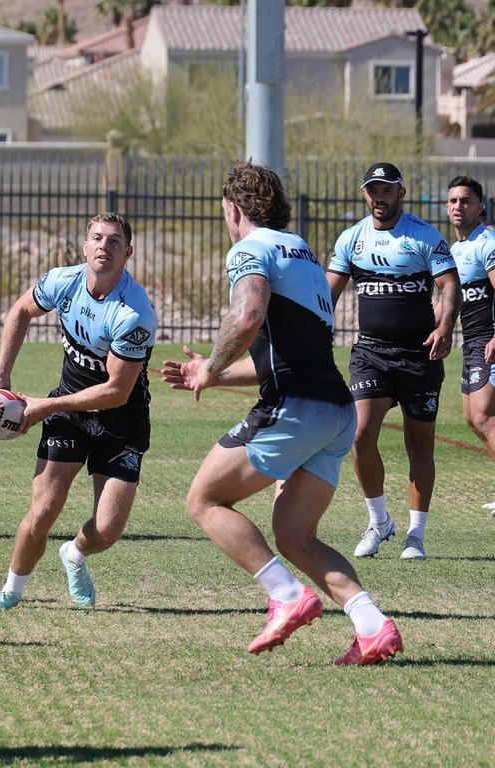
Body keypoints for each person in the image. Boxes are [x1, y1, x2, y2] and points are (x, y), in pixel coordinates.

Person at [162, 161, 401, 665]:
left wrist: (211, 364)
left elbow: (246, 317)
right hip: (336, 411)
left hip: (295, 406)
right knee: (295, 535)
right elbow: (282, 353)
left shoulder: (249, 248)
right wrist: (215, 371)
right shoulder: (304, 256)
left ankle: (287, 597)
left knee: (204, 500)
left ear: (232, 208)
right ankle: (372, 626)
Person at [0, 212, 157, 610]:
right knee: (42, 511)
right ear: (85, 246)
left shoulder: (134, 313)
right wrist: (1, 378)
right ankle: (11, 592)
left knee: (107, 531)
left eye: (113, 241)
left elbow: (116, 391)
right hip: (69, 414)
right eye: (96, 238)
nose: (103, 247)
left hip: (121, 420)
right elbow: (20, 312)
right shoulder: (63, 281)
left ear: (127, 253)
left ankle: (74, 554)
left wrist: (45, 405)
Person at [328, 162, 461, 561]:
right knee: (359, 435)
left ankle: (415, 535)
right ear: (365, 194)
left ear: (401, 193)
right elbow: (326, 292)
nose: (378, 197)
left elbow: (450, 284)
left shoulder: (423, 236)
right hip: (370, 352)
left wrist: (445, 327)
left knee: (420, 446)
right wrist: (314, 328)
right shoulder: (352, 239)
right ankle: (379, 521)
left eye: (386, 190)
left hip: (420, 353)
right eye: (372, 190)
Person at [445, 176, 495, 511]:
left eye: (465, 201)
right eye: (452, 202)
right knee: (470, 417)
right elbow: (452, 302)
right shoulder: (457, 249)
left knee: (482, 417)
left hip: (489, 341)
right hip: (473, 342)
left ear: (480, 206)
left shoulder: (487, 243)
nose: (458, 207)